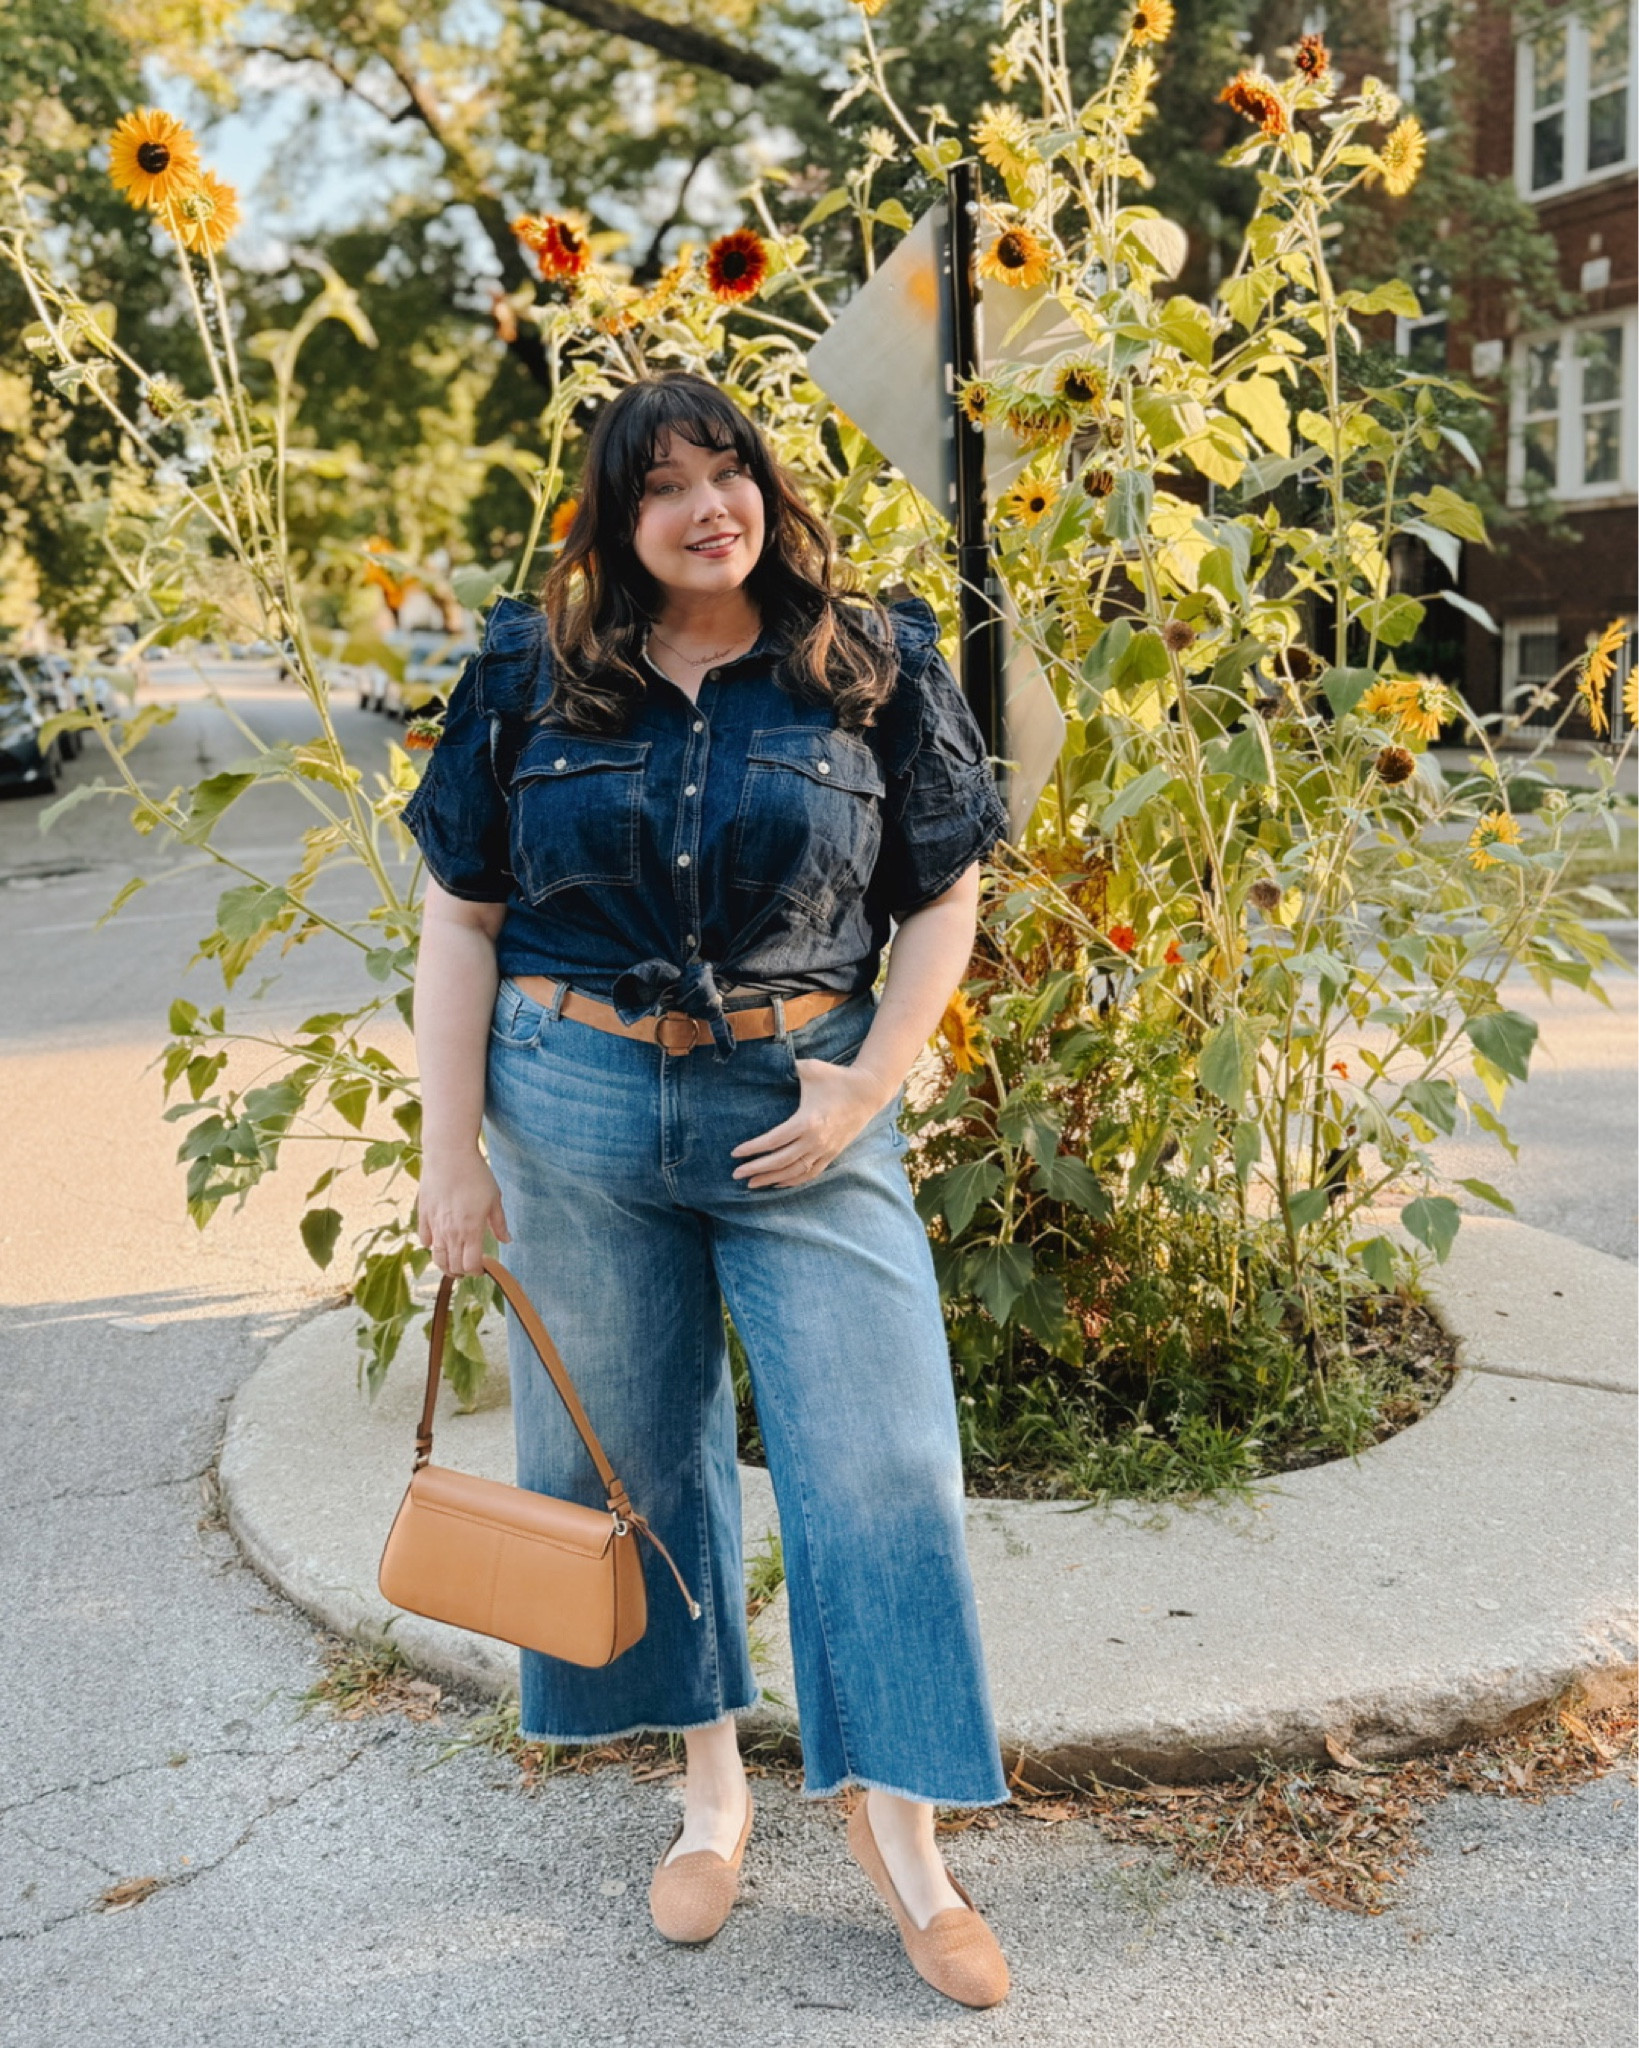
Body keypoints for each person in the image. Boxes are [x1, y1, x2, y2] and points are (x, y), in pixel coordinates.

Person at [403, 369, 1014, 2007]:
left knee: (880, 1465)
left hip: (798, 1110)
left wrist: (871, 1084)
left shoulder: (865, 659)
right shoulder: (531, 671)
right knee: (629, 1469)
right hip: (575, 1107)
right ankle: (711, 1791)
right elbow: (460, 915)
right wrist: (445, 1151)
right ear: (618, 520)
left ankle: (908, 1843)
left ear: (765, 484)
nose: (702, 506)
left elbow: (944, 895)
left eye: (724, 468)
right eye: (661, 485)